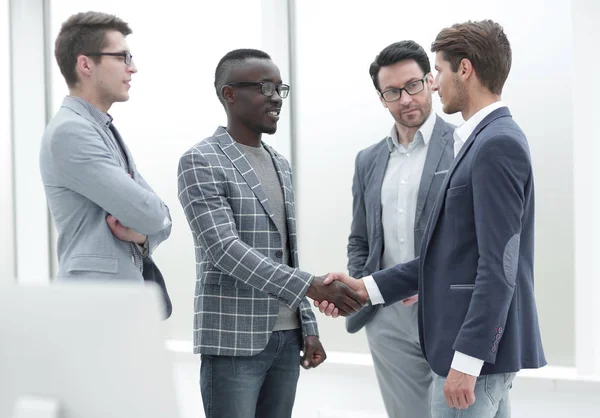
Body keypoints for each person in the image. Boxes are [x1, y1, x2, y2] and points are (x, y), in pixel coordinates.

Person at [318, 20, 546, 417]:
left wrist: (468, 360)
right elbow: (448, 256)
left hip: (467, 347)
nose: (434, 84)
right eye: (392, 91)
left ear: (465, 69)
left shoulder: (496, 143)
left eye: (436, 72)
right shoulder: (481, 140)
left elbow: (499, 267)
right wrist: (366, 287)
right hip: (452, 342)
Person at [176, 48, 364, 418]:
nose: (276, 98)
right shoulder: (201, 160)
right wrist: (311, 285)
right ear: (229, 94)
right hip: (233, 343)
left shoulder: (280, 163)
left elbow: (286, 252)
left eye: (280, 88)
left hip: (286, 338)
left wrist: (306, 324)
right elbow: (225, 250)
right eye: (265, 87)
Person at [346, 40, 454, 417]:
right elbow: (360, 237)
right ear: (382, 98)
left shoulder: (463, 144)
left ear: (430, 82)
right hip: (387, 316)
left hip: (444, 308)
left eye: (412, 85)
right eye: (392, 91)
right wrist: (365, 286)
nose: (405, 99)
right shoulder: (368, 160)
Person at [40, 11, 173, 316]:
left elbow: (157, 220)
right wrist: (149, 223)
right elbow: (152, 214)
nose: (133, 68)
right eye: (123, 57)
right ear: (86, 64)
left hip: (117, 303)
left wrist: (141, 235)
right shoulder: (71, 132)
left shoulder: (101, 128)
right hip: (95, 306)